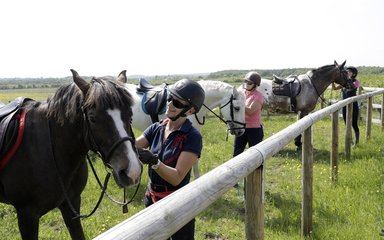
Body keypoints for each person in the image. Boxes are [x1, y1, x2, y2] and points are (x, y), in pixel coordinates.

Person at [136, 78, 205, 240]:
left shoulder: (192, 137)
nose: (170, 104)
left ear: (190, 111)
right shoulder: (156, 127)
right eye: (169, 98)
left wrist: (154, 162)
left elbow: (176, 177)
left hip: (178, 206)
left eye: (177, 103)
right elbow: (133, 146)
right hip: (152, 199)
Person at [233, 71, 264, 158]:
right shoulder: (243, 93)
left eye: (249, 83)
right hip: (241, 127)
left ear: (255, 84)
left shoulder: (258, 96)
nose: (247, 84)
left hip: (254, 130)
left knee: (255, 157)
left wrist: (240, 104)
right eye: (246, 82)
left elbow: (250, 111)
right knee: (236, 155)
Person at [332, 66, 360, 145]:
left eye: (349, 72)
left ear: (353, 74)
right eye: (346, 72)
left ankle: (356, 141)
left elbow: (352, 87)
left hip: (353, 105)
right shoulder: (344, 82)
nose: (347, 73)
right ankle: (349, 141)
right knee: (346, 124)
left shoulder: (356, 82)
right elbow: (334, 88)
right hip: (345, 106)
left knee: (354, 124)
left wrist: (346, 81)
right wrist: (332, 81)